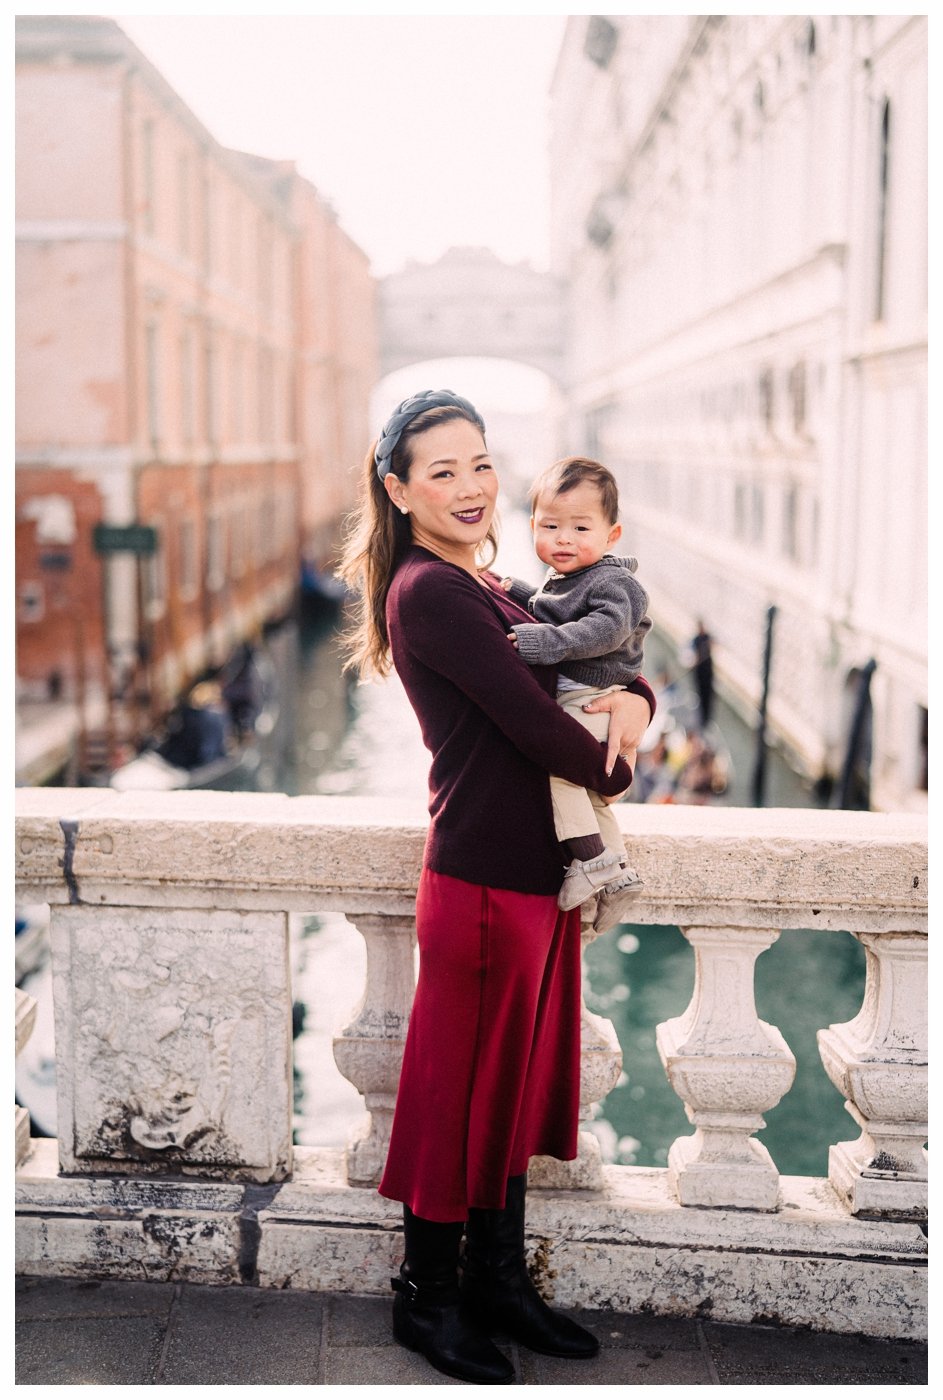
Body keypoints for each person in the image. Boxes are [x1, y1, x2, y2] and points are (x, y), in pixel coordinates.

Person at [338, 389, 655, 1385]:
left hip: (532, 873)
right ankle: (428, 1298)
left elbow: (610, 657)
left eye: (479, 463)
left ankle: (499, 1282)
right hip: (481, 875)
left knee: (508, 1088)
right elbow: (536, 724)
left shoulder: (490, 580)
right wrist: (616, 756)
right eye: (442, 470)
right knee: (452, 1093)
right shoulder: (432, 592)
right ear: (397, 490)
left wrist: (636, 699)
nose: (471, 485)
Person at [500, 457, 651, 924]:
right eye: (551, 525)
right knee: (583, 794)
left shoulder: (616, 583)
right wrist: (521, 594)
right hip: (582, 696)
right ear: (532, 527)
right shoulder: (570, 578)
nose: (564, 538)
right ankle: (618, 871)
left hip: (591, 697)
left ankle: (590, 859)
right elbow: (556, 609)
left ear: (612, 536)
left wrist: (542, 641)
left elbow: (600, 631)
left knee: (559, 770)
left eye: (581, 528)